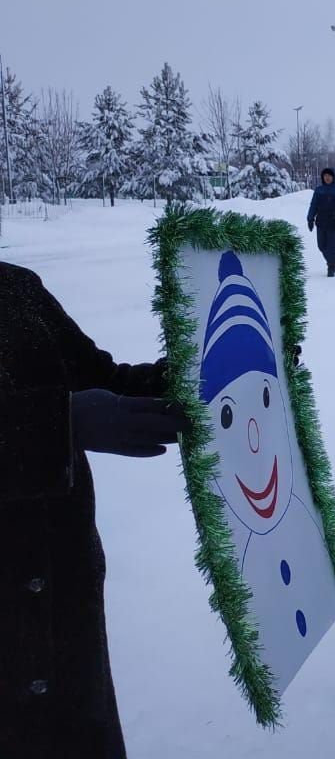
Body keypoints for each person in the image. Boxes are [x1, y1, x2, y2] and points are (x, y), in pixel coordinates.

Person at [0, 262, 190, 759]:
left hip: (64, 608)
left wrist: (197, 374)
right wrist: (51, 426)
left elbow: (101, 380)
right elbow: (68, 413)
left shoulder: (15, 286)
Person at [306, 167, 335, 277]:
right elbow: (313, 205)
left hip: (334, 223)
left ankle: (331, 265)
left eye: (329, 176)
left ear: (333, 177)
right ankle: (332, 262)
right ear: (322, 177)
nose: (327, 178)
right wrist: (310, 218)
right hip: (321, 222)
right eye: (325, 176)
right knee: (321, 246)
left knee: (332, 246)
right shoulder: (319, 190)